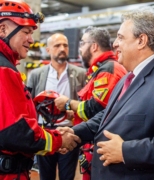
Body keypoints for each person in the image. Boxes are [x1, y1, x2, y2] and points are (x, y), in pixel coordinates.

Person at [59, 11, 154, 180]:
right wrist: (75, 133)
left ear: (141, 41)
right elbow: (108, 115)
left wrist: (125, 151)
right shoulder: (127, 78)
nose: (115, 44)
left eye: (121, 37)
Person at [0, 1, 80, 180]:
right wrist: (58, 139)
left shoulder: (8, 67)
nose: (31, 39)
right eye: (26, 32)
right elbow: (15, 132)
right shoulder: (4, 70)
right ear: (3, 30)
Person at [55, 26, 127, 180]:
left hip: (101, 147)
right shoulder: (102, 69)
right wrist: (73, 114)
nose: (80, 49)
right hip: (93, 144)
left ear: (93, 46)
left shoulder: (108, 70)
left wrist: (68, 103)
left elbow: (97, 109)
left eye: (82, 43)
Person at [27, 33, 86, 180]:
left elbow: (86, 103)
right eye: (57, 45)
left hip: (70, 132)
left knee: (67, 175)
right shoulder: (36, 75)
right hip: (44, 132)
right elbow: (29, 106)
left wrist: (75, 115)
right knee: (46, 175)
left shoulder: (80, 74)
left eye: (65, 45)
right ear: (48, 50)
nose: (62, 49)